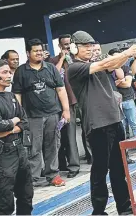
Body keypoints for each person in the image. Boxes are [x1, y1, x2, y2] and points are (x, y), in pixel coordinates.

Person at [68, 31, 136, 215]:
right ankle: (98, 211)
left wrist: (128, 55)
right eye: (85, 46)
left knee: (119, 169)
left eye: (90, 46)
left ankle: (125, 208)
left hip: (113, 120)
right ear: (74, 48)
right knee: (100, 171)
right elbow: (105, 63)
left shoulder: (94, 65)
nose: (89, 49)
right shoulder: (74, 68)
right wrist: (128, 52)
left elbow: (112, 64)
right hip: (97, 125)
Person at [0, 59, 33, 215]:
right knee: (5, 203)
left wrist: (9, 130)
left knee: (26, 196)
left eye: (10, 72)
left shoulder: (11, 96)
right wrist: (14, 122)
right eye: (4, 72)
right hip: (2, 155)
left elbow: (25, 121)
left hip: (20, 151)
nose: (9, 75)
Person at [12, 38, 69, 187]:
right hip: (31, 116)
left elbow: (61, 89)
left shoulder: (50, 68)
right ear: (28, 53)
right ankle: (33, 178)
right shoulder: (21, 71)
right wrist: (19, 115)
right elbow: (17, 94)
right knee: (33, 148)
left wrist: (66, 110)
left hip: (52, 114)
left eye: (41, 51)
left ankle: (53, 175)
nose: (39, 53)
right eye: (35, 51)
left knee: (53, 145)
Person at [49, 34, 80, 178]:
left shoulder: (77, 57)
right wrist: (62, 58)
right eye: (65, 44)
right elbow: (53, 75)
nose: (68, 46)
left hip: (83, 98)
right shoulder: (54, 60)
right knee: (70, 135)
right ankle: (74, 166)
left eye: (70, 43)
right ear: (60, 46)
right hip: (69, 101)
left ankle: (93, 157)